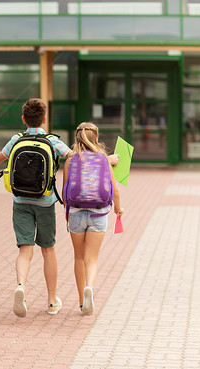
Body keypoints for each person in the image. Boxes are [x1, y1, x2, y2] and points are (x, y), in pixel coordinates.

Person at [0, 98, 70, 317]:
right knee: (48, 249)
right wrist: (106, 159)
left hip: (20, 201)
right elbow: (74, 156)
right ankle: (52, 300)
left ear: (23, 119)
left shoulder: (16, 139)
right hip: (45, 202)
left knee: (25, 249)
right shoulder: (52, 141)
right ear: (44, 119)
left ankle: (21, 286)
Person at [62, 122, 123, 315]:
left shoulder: (70, 161)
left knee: (79, 257)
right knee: (92, 259)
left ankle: (82, 301)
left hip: (76, 214)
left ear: (77, 138)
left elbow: (65, 193)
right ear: (95, 137)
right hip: (99, 213)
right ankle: (90, 286)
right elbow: (115, 191)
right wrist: (119, 209)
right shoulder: (104, 159)